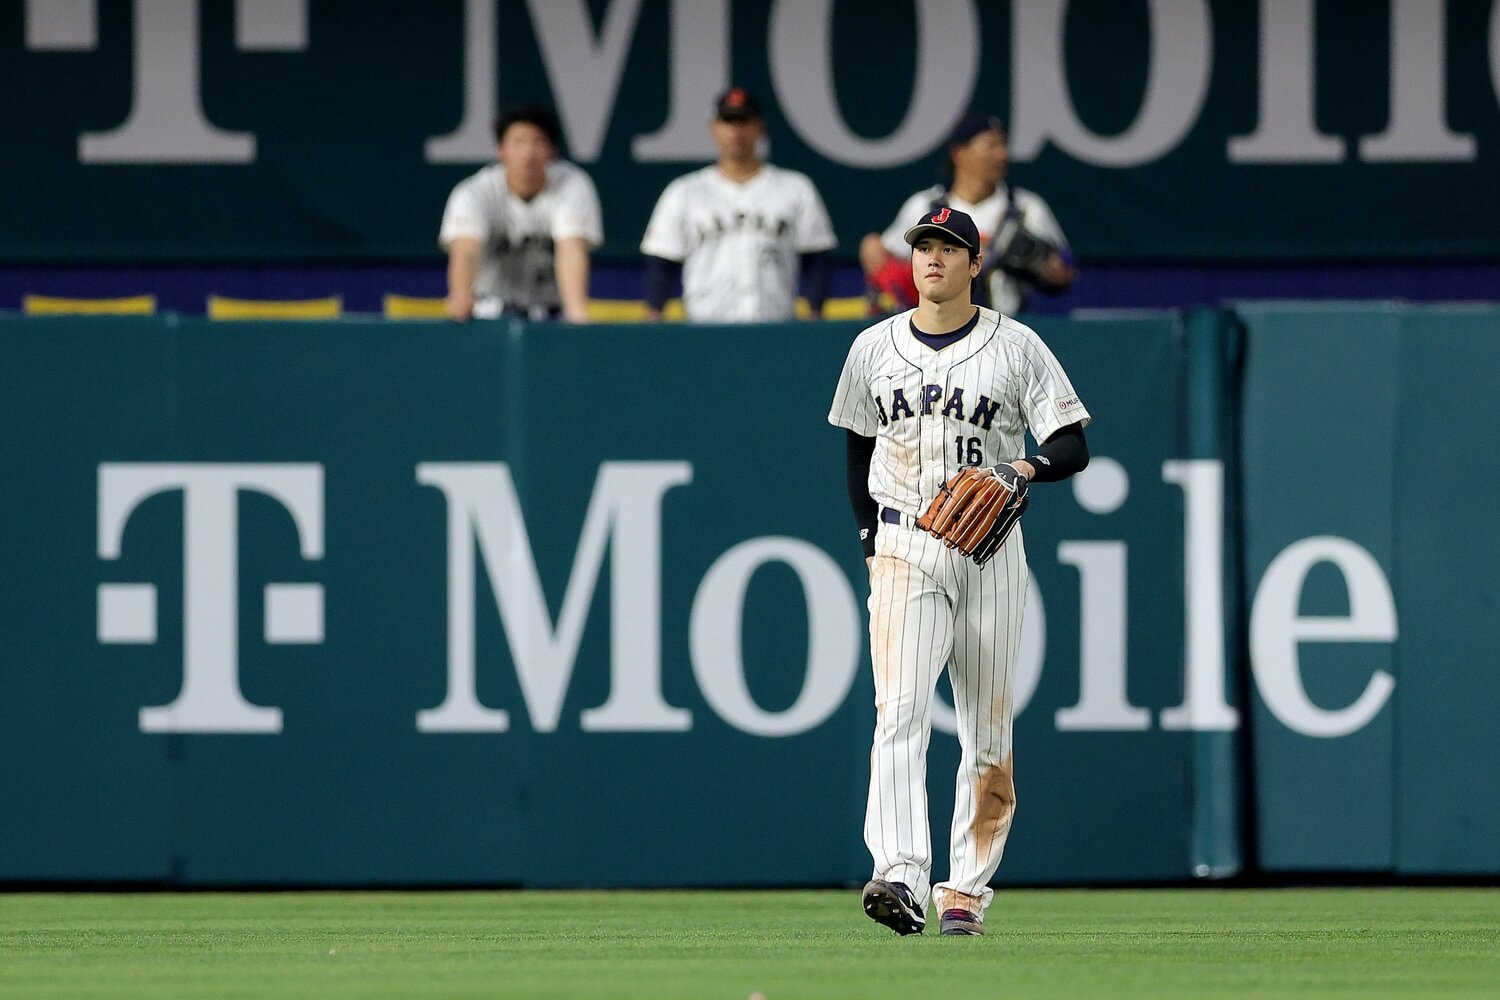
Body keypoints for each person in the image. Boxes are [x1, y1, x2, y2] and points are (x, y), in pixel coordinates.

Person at [828, 206, 1091, 937]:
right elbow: (856, 449)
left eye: (949, 247)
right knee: (900, 712)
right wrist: (868, 539)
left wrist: (1024, 465)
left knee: (985, 728)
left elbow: (1072, 445)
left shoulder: (1017, 346)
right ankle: (899, 873)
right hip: (904, 543)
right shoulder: (873, 348)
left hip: (991, 549)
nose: (933, 258)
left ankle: (965, 892)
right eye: (924, 247)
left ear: (976, 264)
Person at [640, 87, 836, 322]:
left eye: (744, 120)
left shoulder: (795, 188)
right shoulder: (684, 192)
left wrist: (814, 315)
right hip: (704, 331)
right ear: (714, 128)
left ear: (760, 127)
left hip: (776, 329)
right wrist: (653, 315)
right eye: (728, 120)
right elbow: (662, 266)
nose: (736, 130)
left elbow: (816, 263)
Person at [859, 113, 1075, 316]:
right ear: (959, 153)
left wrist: (1051, 270)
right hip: (937, 331)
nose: (1002, 154)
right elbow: (881, 258)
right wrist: (873, 249)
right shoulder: (925, 207)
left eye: (1003, 145)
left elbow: (1064, 273)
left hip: (1004, 332)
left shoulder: (1027, 208)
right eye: (992, 145)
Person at [439, 104, 602, 323]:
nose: (528, 152)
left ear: (552, 151)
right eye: (518, 142)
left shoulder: (572, 185)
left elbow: (571, 248)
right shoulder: (473, 193)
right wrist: (460, 297)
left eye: (538, 142)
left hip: (550, 316)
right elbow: (466, 249)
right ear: (501, 150)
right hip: (488, 314)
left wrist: (576, 312)